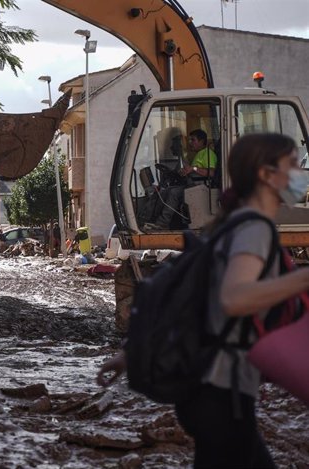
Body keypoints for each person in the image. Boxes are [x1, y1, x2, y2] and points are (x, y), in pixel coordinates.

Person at [98, 133, 309, 468]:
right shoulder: (254, 230)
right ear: (267, 175)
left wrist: (131, 354)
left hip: (206, 392)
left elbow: (191, 297)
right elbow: (233, 299)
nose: (300, 173)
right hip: (222, 392)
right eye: (293, 165)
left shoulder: (228, 226)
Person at [145, 129, 218, 230]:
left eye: (193, 140)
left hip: (200, 187)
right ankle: (152, 220)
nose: (190, 143)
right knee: (165, 191)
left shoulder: (208, 154)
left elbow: (211, 173)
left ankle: (162, 223)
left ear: (201, 141)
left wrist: (194, 168)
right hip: (192, 185)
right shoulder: (199, 154)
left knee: (174, 193)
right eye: (189, 140)